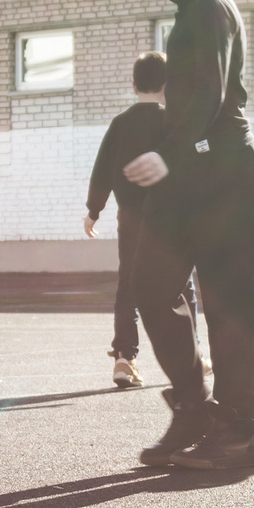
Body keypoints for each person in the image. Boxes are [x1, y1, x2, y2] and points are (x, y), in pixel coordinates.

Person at [124, 0, 254, 470]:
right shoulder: (189, 12)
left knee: (228, 306)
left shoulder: (210, 8)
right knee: (150, 286)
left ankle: (237, 436)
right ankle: (192, 408)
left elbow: (208, 92)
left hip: (223, 171)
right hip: (190, 169)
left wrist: (166, 153)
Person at [86, 50, 177, 388]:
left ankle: (124, 358)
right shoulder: (173, 122)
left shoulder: (120, 123)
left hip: (131, 218)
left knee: (128, 285)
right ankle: (191, 356)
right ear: (167, 85)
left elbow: (102, 170)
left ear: (133, 84)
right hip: (170, 218)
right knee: (181, 285)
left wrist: (93, 211)